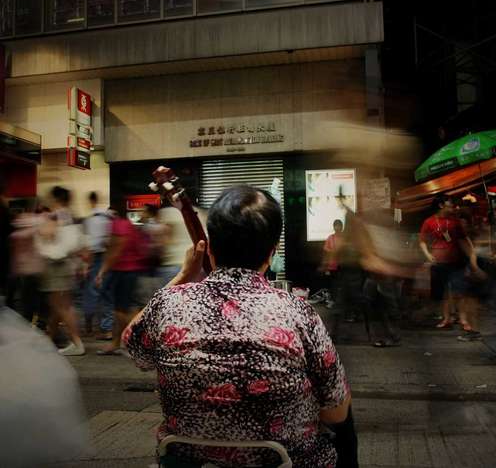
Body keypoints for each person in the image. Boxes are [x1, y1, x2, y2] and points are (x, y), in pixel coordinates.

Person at [124, 186, 357, 468]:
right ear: (271, 252)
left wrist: (184, 274)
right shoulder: (298, 313)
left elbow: (133, 346)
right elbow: (335, 413)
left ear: (209, 248)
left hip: (188, 460)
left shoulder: (169, 302)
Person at [419, 195, 482, 334]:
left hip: (456, 261)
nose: (452, 207)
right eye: (450, 204)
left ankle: (463, 320)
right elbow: (422, 240)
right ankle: (446, 319)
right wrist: (428, 254)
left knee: (460, 291)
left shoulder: (455, 222)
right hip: (439, 262)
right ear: (441, 205)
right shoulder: (429, 222)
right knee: (444, 293)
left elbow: (464, 239)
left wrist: (472, 256)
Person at [35, 187, 85, 356]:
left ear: (55, 199)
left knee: (62, 307)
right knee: (58, 306)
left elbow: (48, 233)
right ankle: (49, 339)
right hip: (66, 264)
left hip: (55, 265)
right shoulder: (70, 214)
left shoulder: (56, 215)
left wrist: (39, 229)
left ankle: (77, 343)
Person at [95, 198, 148, 355]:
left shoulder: (119, 225)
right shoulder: (128, 225)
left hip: (124, 271)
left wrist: (102, 271)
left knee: (120, 310)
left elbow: (116, 251)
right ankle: (117, 343)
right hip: (131, 270)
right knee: (122, 309)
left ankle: (140, 340)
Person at [82, 191, 113, 339]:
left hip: (95, 258)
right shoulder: (108, 218)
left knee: (91, 293)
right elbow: (109, 241)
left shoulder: (90, 220)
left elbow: (89, 245)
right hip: (107, 257)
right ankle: (107, 329)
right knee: (106, 293)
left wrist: (86, 265)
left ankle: (89, 327)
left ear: (90, 201)